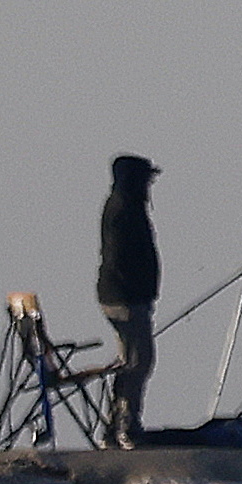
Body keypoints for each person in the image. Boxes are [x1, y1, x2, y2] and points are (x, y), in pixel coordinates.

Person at [96, 153, 160, 447]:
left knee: (132, 361)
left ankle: (119, 422)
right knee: (139, 361)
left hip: (125, 297)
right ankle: (125, 423)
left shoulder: (125, 206)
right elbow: (123, 257)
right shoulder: (124, 209)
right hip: (126, 299)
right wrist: (139, 291)